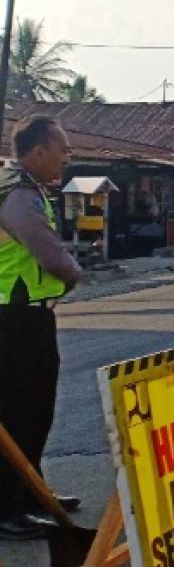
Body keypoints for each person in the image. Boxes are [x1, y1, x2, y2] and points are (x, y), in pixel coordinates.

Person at [0, 115, 83, 541]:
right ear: (37, 152)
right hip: (14, 319)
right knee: (19, 412)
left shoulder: (27, 191)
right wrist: (73, 274)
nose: (66, 157)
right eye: (62, 148)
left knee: (36, 410)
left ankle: (31, 494)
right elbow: (50, 256)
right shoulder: (18, 197)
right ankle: (7, 508)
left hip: (27, 315)